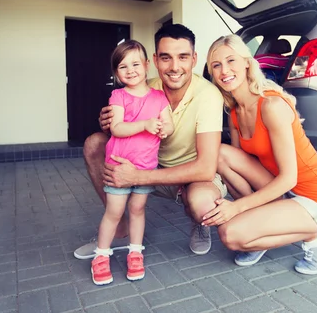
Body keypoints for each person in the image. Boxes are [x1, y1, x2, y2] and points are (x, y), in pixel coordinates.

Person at [75, 24, 227, 261]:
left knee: (204, 205)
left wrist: (136, 177)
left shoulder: (208, 95)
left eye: (183, 57)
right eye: (166, 58)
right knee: (94, 144)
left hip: (189, 175)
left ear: (194, 59)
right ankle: (119, 228)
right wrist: (108, 121)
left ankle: (199, 223)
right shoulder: (144, 86)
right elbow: (118, 123)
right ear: (154, 60)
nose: (175, 67)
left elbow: (206, 167)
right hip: (148, 163)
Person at [202, 34, 317, 274]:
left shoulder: (272, 107)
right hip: (283, 191)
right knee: (220, 154)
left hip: (316, 197)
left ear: (247, 62)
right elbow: (240, 167)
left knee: (230, 235)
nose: (224, 70)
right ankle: (262, 226)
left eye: (231, 60)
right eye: (216, 65)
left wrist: (237, 208)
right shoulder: (235, 113)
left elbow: (289, 179)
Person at [90, 40, 173, 286]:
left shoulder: (159, 97)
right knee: (114, 212)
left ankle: (135, 252)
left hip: (145, 168)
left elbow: (168, 122)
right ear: (116, 73)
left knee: (137, 210)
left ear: (147, 65)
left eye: (136, 63)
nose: (131, 70)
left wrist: (164, 129)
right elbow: (116, 128)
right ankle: (101, 256)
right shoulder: (118, 96)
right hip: (118, 166)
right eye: (123, 67)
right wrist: (145, 125)